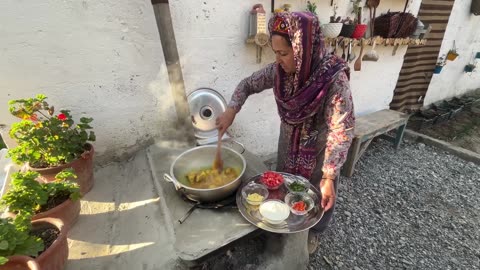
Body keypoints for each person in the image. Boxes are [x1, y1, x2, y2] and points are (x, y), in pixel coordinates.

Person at [216, 11, 355, 254]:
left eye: (284, 53)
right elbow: (247, 84)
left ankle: (315, 233)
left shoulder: (333, 79)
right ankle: (285, 224)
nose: (278, 60)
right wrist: (231, 110)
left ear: (303, 49)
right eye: (275, 53)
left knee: (317, 196)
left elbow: (341, 129)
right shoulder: (279, 72)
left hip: (319, 152)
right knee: (285, 187)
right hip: (289, 145)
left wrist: (330, 176)